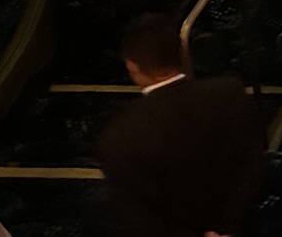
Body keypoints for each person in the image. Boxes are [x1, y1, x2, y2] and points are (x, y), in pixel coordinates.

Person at [96, 12, 265, 237]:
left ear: (132, 66)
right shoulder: (230, 93)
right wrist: (228, 229)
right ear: (182, 53)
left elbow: (139, 222)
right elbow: (253, 165)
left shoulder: (118, 139)